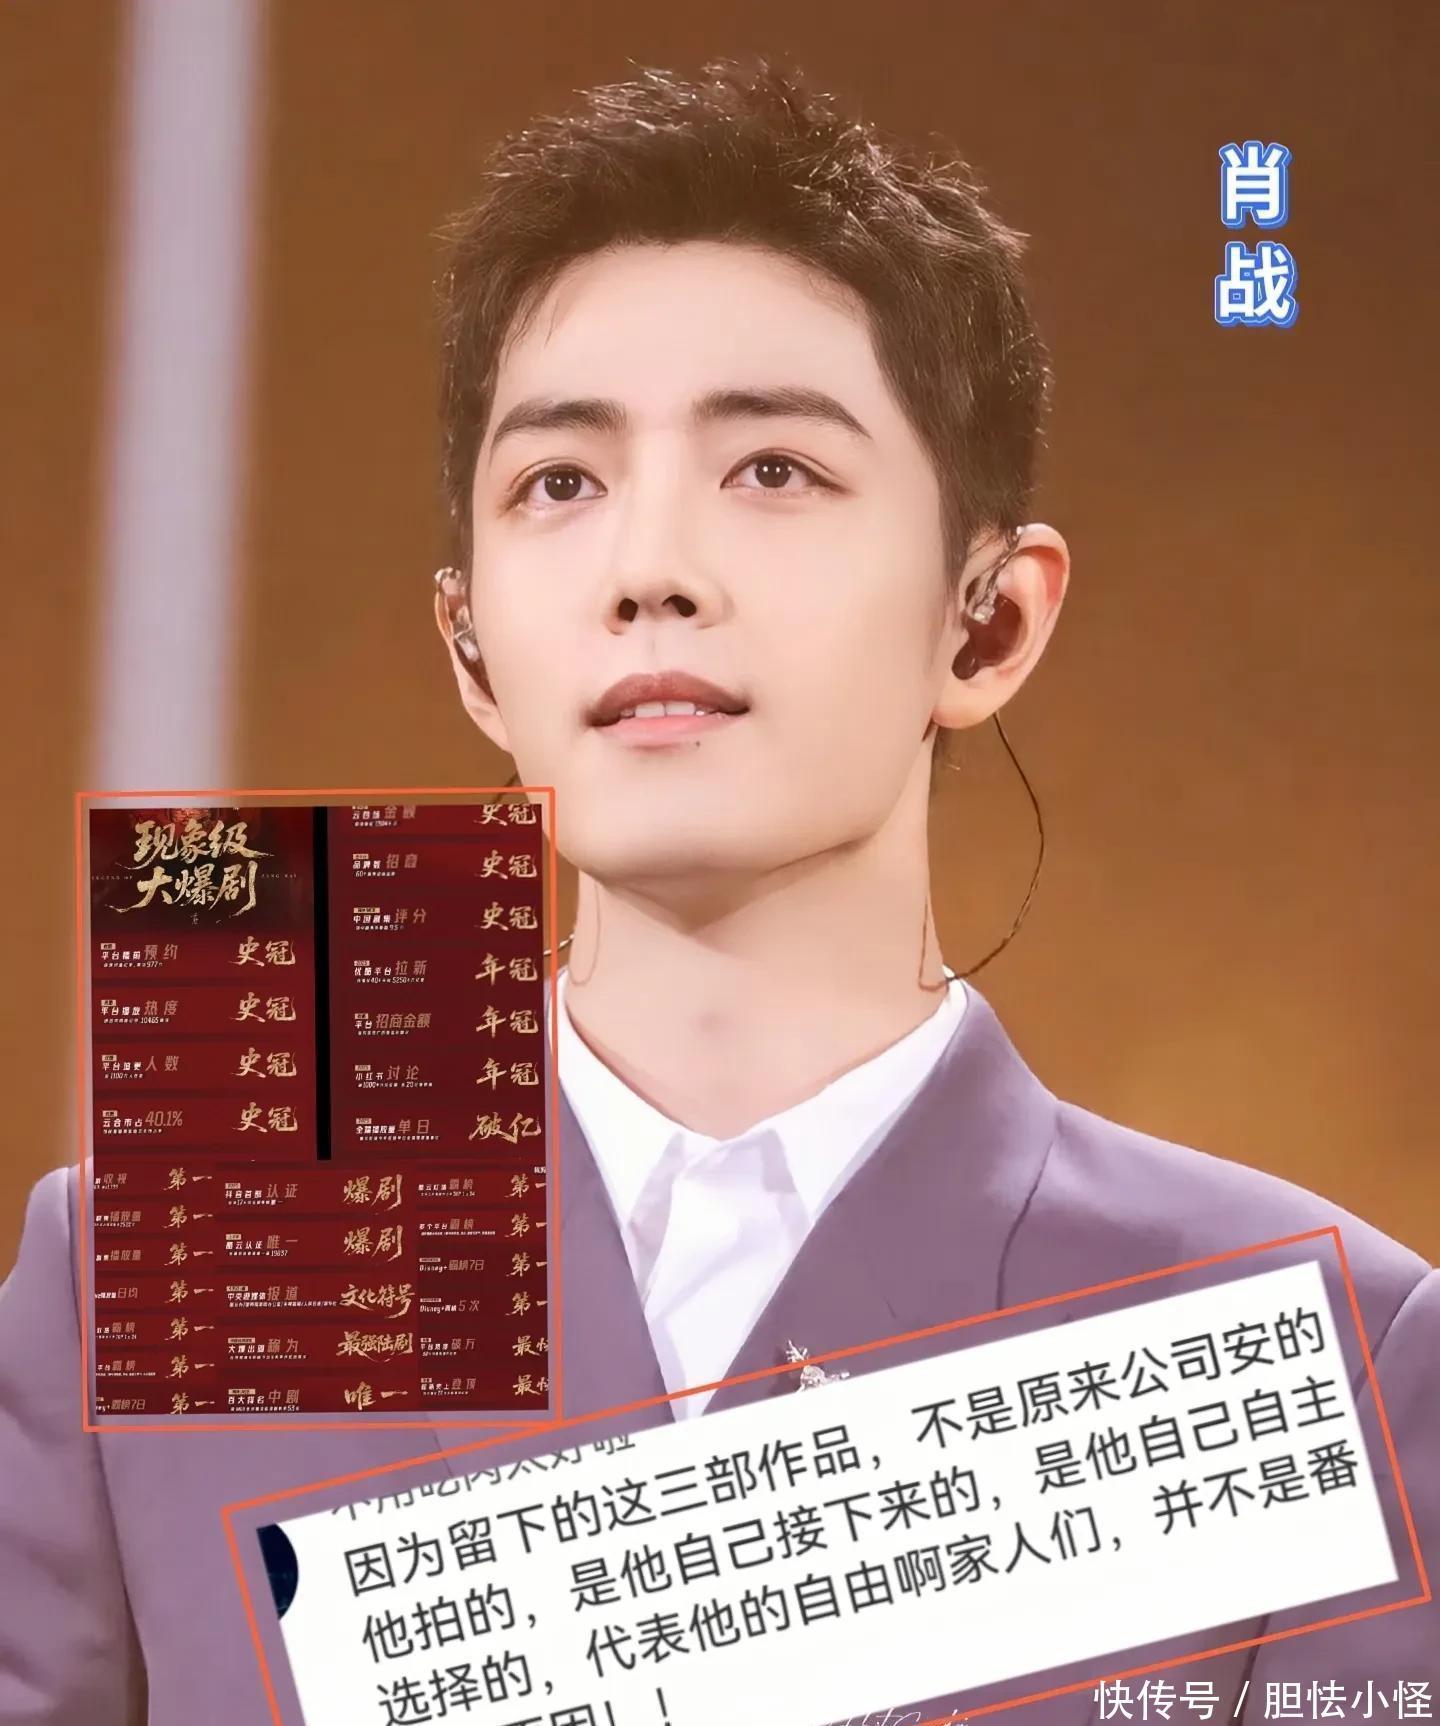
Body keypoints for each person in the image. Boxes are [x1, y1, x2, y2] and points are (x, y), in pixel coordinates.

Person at [1, 58, 1434, 1726]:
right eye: (561, 482)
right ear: (471, 647)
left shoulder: (1325, 1354)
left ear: (987, 620)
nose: (650, 569)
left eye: (773, 470)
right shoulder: (151, 1277)